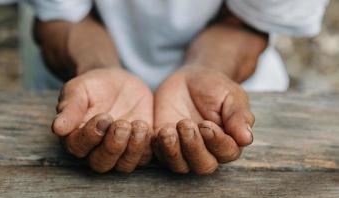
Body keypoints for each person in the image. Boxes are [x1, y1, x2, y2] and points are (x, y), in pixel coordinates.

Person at [29, 0, 328, 174]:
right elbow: (59, 17)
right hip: (84, 99)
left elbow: (247, 22)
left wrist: (208, 69)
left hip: (224, 102)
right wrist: (97, 68)